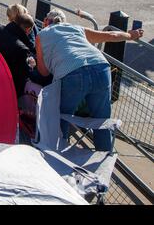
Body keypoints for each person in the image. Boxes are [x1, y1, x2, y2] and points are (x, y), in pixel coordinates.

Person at [35, 8, 144, 151]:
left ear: (45, 22)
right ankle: (104, 156)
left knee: (61, 116)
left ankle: (58, 154)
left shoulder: (42, 35)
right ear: (64, 21)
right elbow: (110, 35)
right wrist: (130, 35)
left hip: (71, 73)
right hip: (101, 67)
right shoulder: (76, 28)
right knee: (101, 121)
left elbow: (43, 72)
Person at [0, 12, 38, 98]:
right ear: (28, 30)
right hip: (7, 89)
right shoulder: (22, 49)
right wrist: (32, 65)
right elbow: (24, 74)